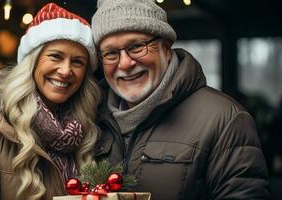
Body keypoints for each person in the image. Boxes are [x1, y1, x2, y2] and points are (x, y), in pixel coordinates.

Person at [91, 0, 269, 199]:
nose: (125, 63)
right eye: (111, 53)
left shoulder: (225, 119)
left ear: (166, 48)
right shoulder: (91, 118)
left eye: (136, 46)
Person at [0, 3, 101, 200]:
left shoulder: (91, 129)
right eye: (55, 56)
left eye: (77, 62)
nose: (65, 70)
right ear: (32, 62)